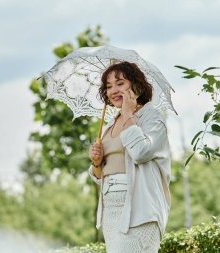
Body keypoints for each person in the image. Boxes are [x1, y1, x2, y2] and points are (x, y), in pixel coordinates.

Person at [88, 61, 171, 253]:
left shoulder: (152, 117)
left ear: (136, 84)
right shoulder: (110, 123)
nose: (113, 90)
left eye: (120, 83)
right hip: (111, 210)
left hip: (140, 209)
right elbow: (101, 175)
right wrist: (96, 162)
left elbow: (141, 153)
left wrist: (128, 114)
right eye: (108, 86)